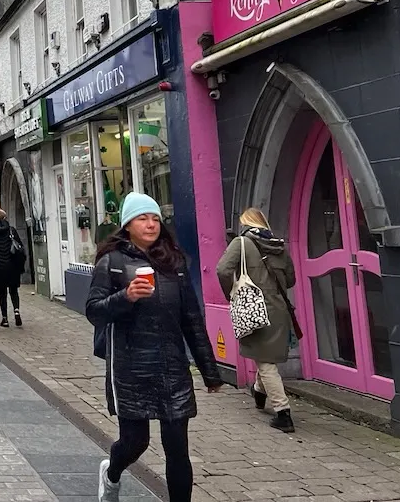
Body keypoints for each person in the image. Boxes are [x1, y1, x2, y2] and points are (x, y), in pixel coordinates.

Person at [86, 191, 223, 502]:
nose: (150, 224)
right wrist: (126, 297)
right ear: (127, 225)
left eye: (155, 218)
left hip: (173, 368)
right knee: (135, 442)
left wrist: (209, 372)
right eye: (142, 218)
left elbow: (191, 319)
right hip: (130, 368)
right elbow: (94, 310)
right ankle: (112, 472)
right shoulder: (113, 262)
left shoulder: (174, 264)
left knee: (177, 449)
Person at [215, 207, 298, 433]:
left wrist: (231, 291)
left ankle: (283, 413)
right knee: (265, 357)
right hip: (279, 310)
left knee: (266, 362)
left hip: (254, 309)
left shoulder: (241, 243)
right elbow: (291, 280)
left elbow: (222, 269)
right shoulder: (279, 246)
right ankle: (259, 392)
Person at [0, 209, 26, 328]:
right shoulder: (11, 230)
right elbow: (20, 247)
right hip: (12, 265)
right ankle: (16, 310)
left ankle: (5, 319)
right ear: (5, 218)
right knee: (14, 291)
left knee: (2, 293)